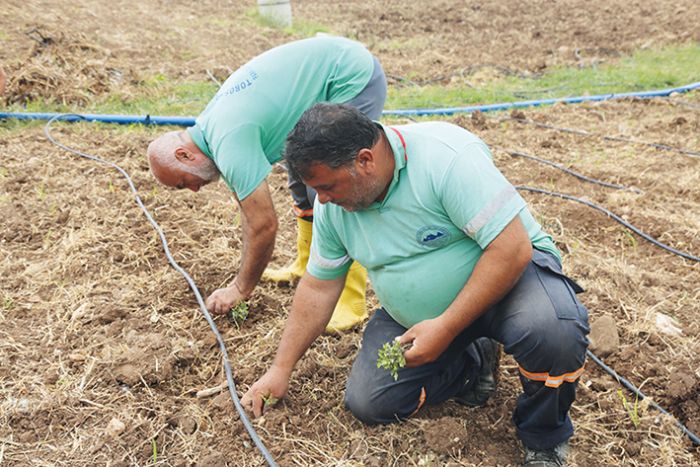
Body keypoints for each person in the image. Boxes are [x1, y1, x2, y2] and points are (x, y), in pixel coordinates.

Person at [241, 103, 590, 466]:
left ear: (365, 160)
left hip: (511, 279)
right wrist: (280, 369)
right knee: (370, 402)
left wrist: (448, 326)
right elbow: (318, 287)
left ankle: (544, 436)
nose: (322, 200)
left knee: (553, 329)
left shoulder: (445, 159)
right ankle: (473, 363)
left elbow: (511, 248)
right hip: (419, 315)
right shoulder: (334, 209)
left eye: (327, 186)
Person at [146, 36, 387, 332]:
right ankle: (305, 262)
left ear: (184, 154)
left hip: (350, 77)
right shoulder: (211, 129)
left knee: (333, 187)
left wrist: (240, 288)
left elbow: (262, 224)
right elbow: (251, 213)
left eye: (184, 183)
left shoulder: (228, 139)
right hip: (325, 74)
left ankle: (350, 301)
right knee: (302, 179)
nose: (195, 189)